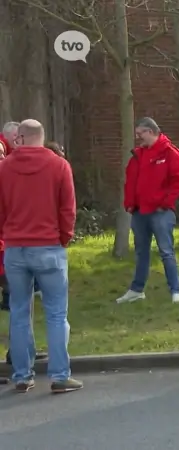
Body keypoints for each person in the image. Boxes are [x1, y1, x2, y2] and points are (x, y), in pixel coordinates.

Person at [0, 119, 82, 393]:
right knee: (56, 314)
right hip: (49, 246)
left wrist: (9, 233)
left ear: (19, 138)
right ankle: (59, 376)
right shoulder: (59, 165)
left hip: (15, 247)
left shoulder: (4, 168)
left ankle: (22, 375)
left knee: (19, 312)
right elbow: (68, 209)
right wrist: (63, 238)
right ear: (42, 136)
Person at [117, 117, 179, 304]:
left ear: (150, 131)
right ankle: (137, 290)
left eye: (140, 134)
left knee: (166, 251)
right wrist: (130, 203)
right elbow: (130, 183)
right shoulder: (138, 156)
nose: (138, 138)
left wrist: (165, 203)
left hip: (160, 211)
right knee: (141, 252)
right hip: (139, 211)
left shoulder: (170, 154)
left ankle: (176, 290)